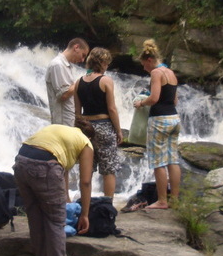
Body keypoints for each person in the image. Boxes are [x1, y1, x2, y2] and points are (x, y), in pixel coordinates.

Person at [12, 116, 97, 256]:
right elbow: (86, 182)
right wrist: (85, 214)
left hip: (21, 162)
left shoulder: (61, 132)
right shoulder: (85, 144)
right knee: (55, 220)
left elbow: (61, 167)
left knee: (36, 217)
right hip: (45, 166)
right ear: (90, 138)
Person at [132, 39, 180, 209]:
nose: (144, 68)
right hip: (174, 119)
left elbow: (154, 98)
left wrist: (141, 103)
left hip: (159, 120)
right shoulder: (171, 73)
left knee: (158, 161)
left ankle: (162, 201)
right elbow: (174, 100)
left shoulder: (156, 73)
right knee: (172, 160)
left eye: (144, 64)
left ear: (150, 60)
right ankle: (174, 199)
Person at [74, 47, 123, 198]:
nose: (107, 67)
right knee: (108, 170)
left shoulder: (78, 82)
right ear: (101, 63)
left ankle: (85, 206)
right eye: (107, 63)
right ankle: (107, 206)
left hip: (85, 129)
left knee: (86, 170)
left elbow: (77, 112)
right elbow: (112, 109)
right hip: (104, 127)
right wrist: (118, 131)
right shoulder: (106, 80)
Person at [45, 38, 90, 126]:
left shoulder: (65, 66)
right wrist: (82, 81)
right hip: (62, 122)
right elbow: (63, 95)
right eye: (83, 55)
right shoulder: (57, 65)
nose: (82, 60)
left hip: (67, 121)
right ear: (76, 47)